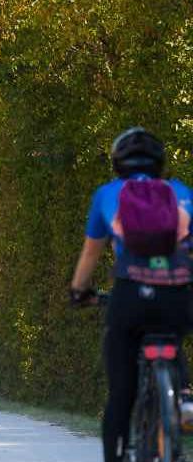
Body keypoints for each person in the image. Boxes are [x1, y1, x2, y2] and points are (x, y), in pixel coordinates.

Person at [69, 127, 193, 462]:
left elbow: (91, 254)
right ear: (160, 162)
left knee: (121, 395)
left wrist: (79, 292)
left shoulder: (108, 194)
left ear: (117, 163)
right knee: (174, 335)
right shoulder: (182, 192)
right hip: (176, 296)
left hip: (131, 296)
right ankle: (183, 396)